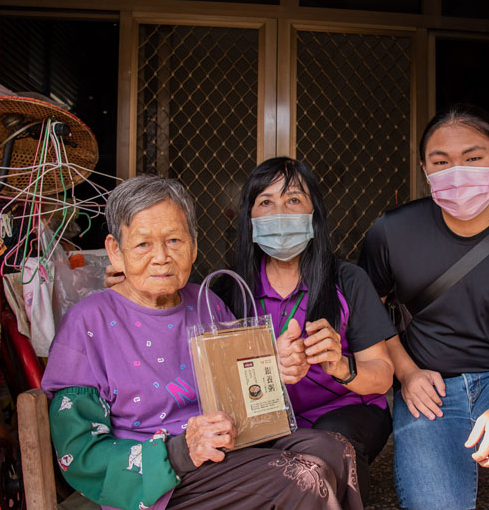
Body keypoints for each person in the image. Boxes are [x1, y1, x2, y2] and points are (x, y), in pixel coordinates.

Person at [42, 175, 362, 510]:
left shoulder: (206, 303)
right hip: (163, 481)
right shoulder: (87, 323)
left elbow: (247, 398)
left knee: (334, 450)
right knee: (302, 477)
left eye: (174, 241)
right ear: (115, 251)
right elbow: (80, 455)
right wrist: (179, 451)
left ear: (194, 245)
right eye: (142, 245)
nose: (162, 257)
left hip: (230, 452)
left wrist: (274, 365)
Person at [359, 103, 489, 510]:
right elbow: (366, 313)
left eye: (473, 159)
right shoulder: (391, 232)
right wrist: (406, 373)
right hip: (428, 384)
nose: (457, 172)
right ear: (425, 169)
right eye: (442, 162)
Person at [221, 157, 396, 503]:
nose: (280, 213)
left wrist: (339, 365)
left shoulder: (347, 280)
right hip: (265, 421)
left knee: (331, 441)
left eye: (293, 200)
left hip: (347, 412)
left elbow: (383, 376)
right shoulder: (229, 291)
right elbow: (218, 383)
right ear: (250, 218)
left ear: (313, 213)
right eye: (266, 202)